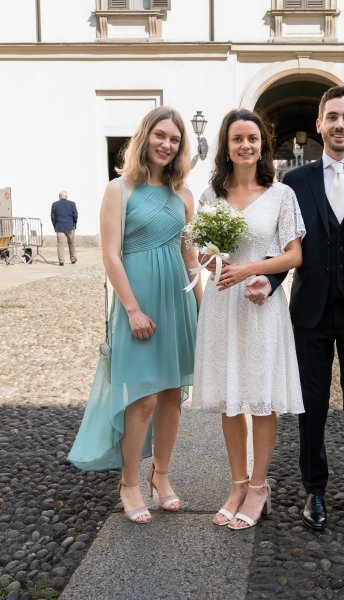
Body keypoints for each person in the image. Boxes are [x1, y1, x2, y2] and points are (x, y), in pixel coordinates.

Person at [247, 86, 344, 530]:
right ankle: (314, 490)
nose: (340, 124)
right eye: (332, 116)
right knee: (310, 403)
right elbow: (283, 245)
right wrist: (269, 281)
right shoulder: (296, 181)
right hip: (309, 309)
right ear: (319, 124)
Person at [68, 106, 202, 524]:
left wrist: (203, 309)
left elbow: (190, 257)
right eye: (160, 135)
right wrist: (132, 308)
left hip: (176, 303)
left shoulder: (184, 196)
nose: (167, 144)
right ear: (145, 137)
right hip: (137, 302)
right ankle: (128, 483)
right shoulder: (119, 189)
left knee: (172, 396)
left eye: (175, 140)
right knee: (142, 398)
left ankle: (160, 476)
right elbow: (110, 254)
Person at [192, 109, 305, 531]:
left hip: (262, 307)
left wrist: (253, 269)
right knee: (229, 398)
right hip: (223, 305)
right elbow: (203, 255)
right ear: (226, 145)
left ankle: (259, 486)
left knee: (259, 397)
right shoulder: (209, 197)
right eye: (237, 138)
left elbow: (294, 254)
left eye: (252, 139)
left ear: (263, 146)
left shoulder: (281, 194)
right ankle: (237, 483)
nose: (245, 145)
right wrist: (214, 260)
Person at [51, 191, 78, 265]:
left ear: (59, 196)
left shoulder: (55, 204)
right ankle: (73, 259)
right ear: (66, 196)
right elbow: (75, 215)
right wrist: (74, 224)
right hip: (70, 226)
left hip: (59, 226)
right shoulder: (72, 204)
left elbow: (52, 217)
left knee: (60, 244)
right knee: (71, 243)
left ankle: (61, 261)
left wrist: (55, 225)